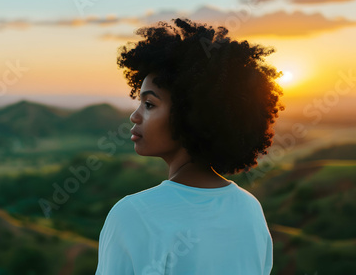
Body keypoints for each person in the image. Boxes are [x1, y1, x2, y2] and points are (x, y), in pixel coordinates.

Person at [95, 18, 284, 275]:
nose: (135, 116)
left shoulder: (133, 215)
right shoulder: (249, 210)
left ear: (189, 114)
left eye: (149, 105)